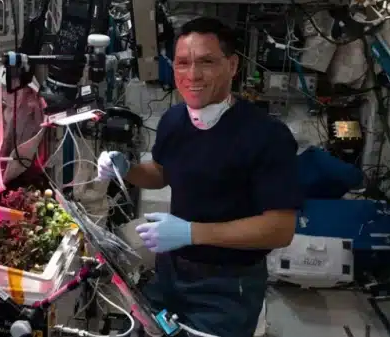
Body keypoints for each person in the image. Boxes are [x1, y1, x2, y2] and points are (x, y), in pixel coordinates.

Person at [96, 17, 302, 337]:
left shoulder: (266, 135)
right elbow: (162, 173)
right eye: (182, 63)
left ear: (232, 66)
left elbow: (280, 229)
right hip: (170, 273)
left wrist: (192, 232)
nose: (192, 75)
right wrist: (128, 168)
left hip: (228, 287)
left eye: (207, 62)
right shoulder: (175, 120)